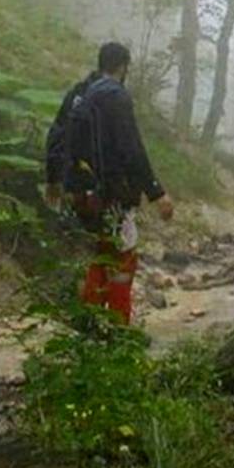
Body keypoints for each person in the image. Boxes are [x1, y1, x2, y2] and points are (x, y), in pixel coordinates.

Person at [45, 42, 174, 323]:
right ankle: (118, 328)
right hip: (112, 194)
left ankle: (90, 323)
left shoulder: (80, 93)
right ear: (123, 66)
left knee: (104, 252)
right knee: (125, 258)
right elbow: (131, 148)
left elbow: (56, 135)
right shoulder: (116, 96)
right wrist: (156, 192)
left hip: (82, 193)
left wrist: (53, 179)